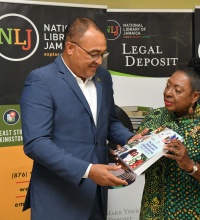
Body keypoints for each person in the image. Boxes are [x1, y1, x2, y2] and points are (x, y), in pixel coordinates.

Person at [20, 17, 146, 220]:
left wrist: (130, 139)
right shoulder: (41, 80)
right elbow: (36, 143)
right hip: (58, 199)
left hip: (97, 196)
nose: (99, 61)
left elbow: (110, 122)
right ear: (70, 48)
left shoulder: (103, 77)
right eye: (93, 54)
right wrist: (87, 170)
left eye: (102, 54)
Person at [137, 58, 200, 219]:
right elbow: (137, 169)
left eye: (177, 90)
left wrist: (189, 165)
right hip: (155, 213)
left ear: (195, 96)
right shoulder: (153, 118)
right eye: (168, 85)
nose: (168, 93)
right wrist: (132, 152)